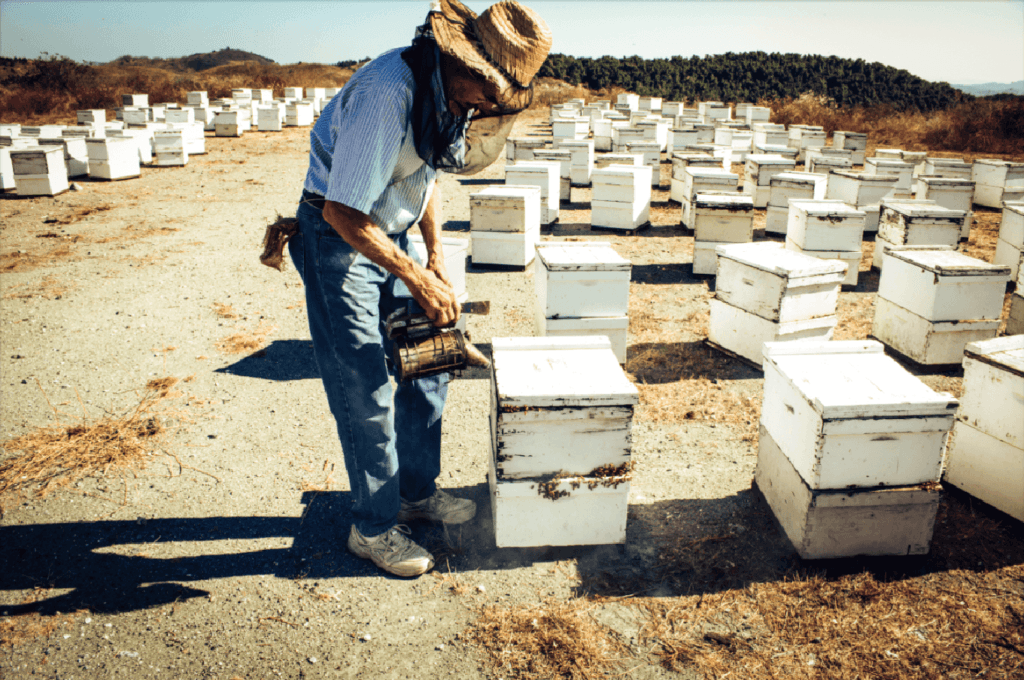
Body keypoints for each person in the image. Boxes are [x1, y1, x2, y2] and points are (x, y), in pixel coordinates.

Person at [287, 0, 552, 577]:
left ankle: (415, 492)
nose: (486, 103)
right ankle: (374, 526)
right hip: (338, 239)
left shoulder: (446, 95)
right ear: (460, 62)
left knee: (428, 364)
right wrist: (414, 276)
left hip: (393, 235)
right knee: (365, 386)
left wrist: (434, 255)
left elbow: (425, 174)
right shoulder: (388, 94)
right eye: (486, 89)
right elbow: (342, 210)